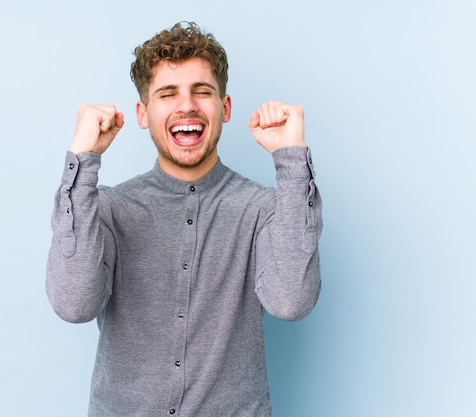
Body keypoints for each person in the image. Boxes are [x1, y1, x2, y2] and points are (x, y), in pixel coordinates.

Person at [46, 21, 322, 417]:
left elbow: (291, 302)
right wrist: (82, 161)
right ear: (143, 114)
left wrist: (292, 160)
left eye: (202, 91)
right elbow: (74, 305)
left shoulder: (264, 209)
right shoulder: (106, 208)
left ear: (224, 108)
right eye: (167, 93)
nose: (187, 105)